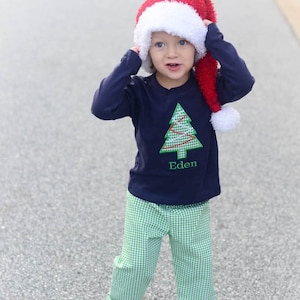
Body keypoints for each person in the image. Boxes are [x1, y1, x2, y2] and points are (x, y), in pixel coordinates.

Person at [91, 0, 254, 299]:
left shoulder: (208, 89)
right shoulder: (139, 91)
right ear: (146, 50)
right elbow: (101, 107)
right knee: (134, 267)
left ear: (197, 46)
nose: (172, 52)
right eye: (159, 44)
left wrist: (214, 38)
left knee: (196, 274)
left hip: (192, 201)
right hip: (146, 200)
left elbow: (243, 81)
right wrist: (131, 60)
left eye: (182, 41)